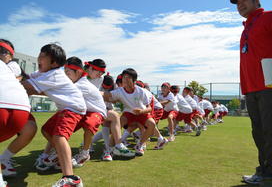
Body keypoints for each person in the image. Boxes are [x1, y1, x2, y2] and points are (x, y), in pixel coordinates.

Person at [230, 0, 272, 186]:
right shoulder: (246, 27)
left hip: (270, 86)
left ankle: (271, 177)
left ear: (256, 1)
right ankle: (263, 170)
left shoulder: (270, 16)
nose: (240, 4)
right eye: (237, 2)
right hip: (251, 89)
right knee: (259, 133)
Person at [22, 43, 87, 187]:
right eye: (40, 54)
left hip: (73, 108)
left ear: (55, 63)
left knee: (59, 136)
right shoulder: (43, 73)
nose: (39, 58)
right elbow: (27, 78)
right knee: (47, 130)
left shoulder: (53, 74)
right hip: (66, 108)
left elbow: (27, 86)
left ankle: (71, 178)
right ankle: (60, 155)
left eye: (44, 56)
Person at [0, 39, 36, 187]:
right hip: (17, 108)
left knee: (30, 128)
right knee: (30, 127)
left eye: (2, 52)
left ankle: (4, 159)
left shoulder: (13, 66)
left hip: (10, 106)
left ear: (10, 54)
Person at [103, 68, 156, 156]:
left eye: (128, 77)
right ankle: (110, 148)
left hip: (142, 113)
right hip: (128, 113)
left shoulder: (141, 91)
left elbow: (149, 108)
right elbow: (107, 95)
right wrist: (93, 92)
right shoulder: (120, 91)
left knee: (152, 124)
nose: (125, 80)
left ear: (134, 80)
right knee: (118, 123)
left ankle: (140, 145)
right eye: (123, 77)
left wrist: (141, 111)